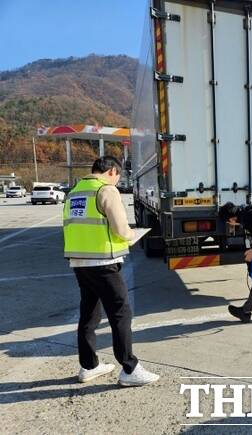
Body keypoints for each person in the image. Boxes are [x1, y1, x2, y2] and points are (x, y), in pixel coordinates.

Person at [63, 156, 159, 386]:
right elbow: (120, 228)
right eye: (118, 176)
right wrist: (132, 235)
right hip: (103, 263)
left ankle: (89, 366)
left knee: (89, 315)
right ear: (112, 171)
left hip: (79, 262)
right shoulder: (105, 190)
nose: (118, 181)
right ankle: (130, 368)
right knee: (121, 314)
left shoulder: (75, 191)